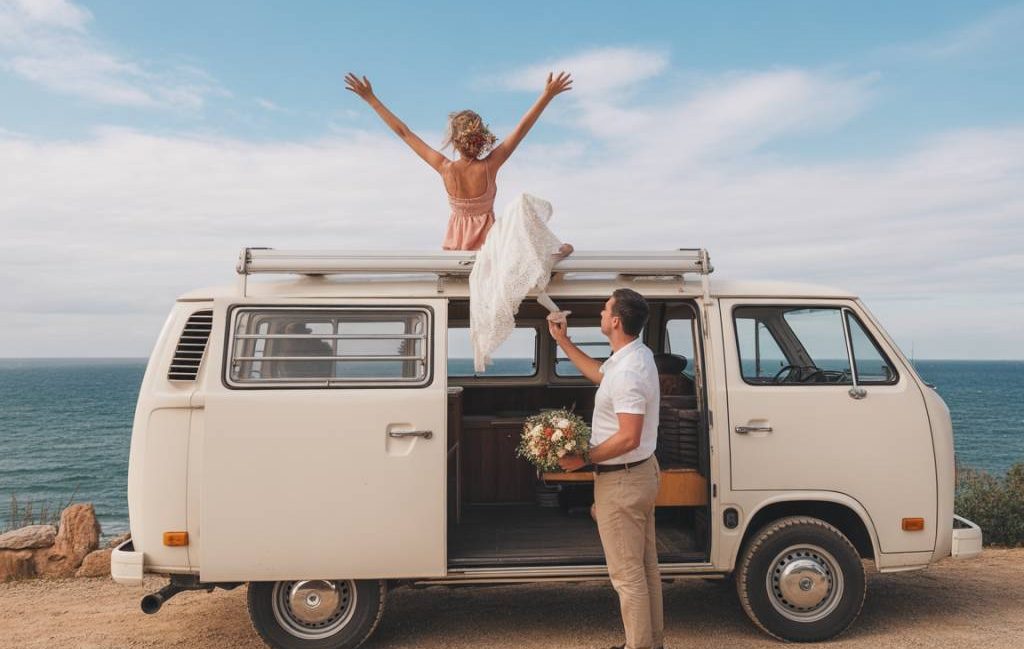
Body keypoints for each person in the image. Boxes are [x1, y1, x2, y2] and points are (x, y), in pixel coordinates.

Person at [344, 71, 575, 252]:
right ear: (483, 139)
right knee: (530, 225)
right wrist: (547, 95)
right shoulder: (490, 166)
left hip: (454, 251)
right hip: (489, 250)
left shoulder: (445, 168)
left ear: (454, 140)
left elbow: (404, 133)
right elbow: (522, 128)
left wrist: (371, 99)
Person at [550, 289, 664, 649]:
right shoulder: (634, 356)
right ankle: (651, 643)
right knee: (645, 568)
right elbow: (601, 376)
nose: (601, 313)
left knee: (627, 575)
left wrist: (582, 458)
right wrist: (563, 342)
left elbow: (629, 436)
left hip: (623, 481)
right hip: (640, 474)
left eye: (604, 309)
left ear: (615, 321)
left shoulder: (628, 371)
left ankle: (639, 646)